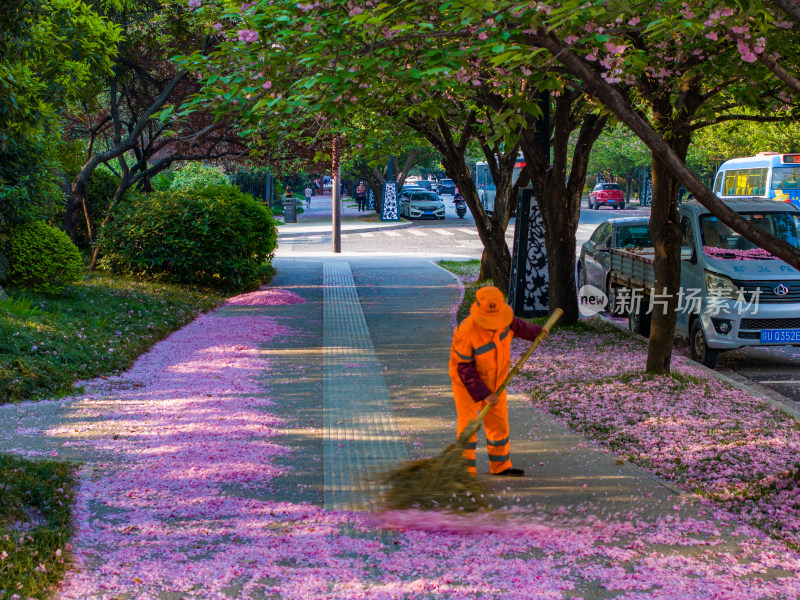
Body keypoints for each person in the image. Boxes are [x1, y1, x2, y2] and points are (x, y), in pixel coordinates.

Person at [449, 286, 545, 477]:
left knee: (499, 423)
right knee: (470, 426)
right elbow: (464, 369)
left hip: (497, 382)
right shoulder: (466, 333)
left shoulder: (503, 320)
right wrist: (484, 394)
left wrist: (537, 332)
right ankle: (465, 471)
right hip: (468, 387)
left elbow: (518, 326)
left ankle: (500, 466)